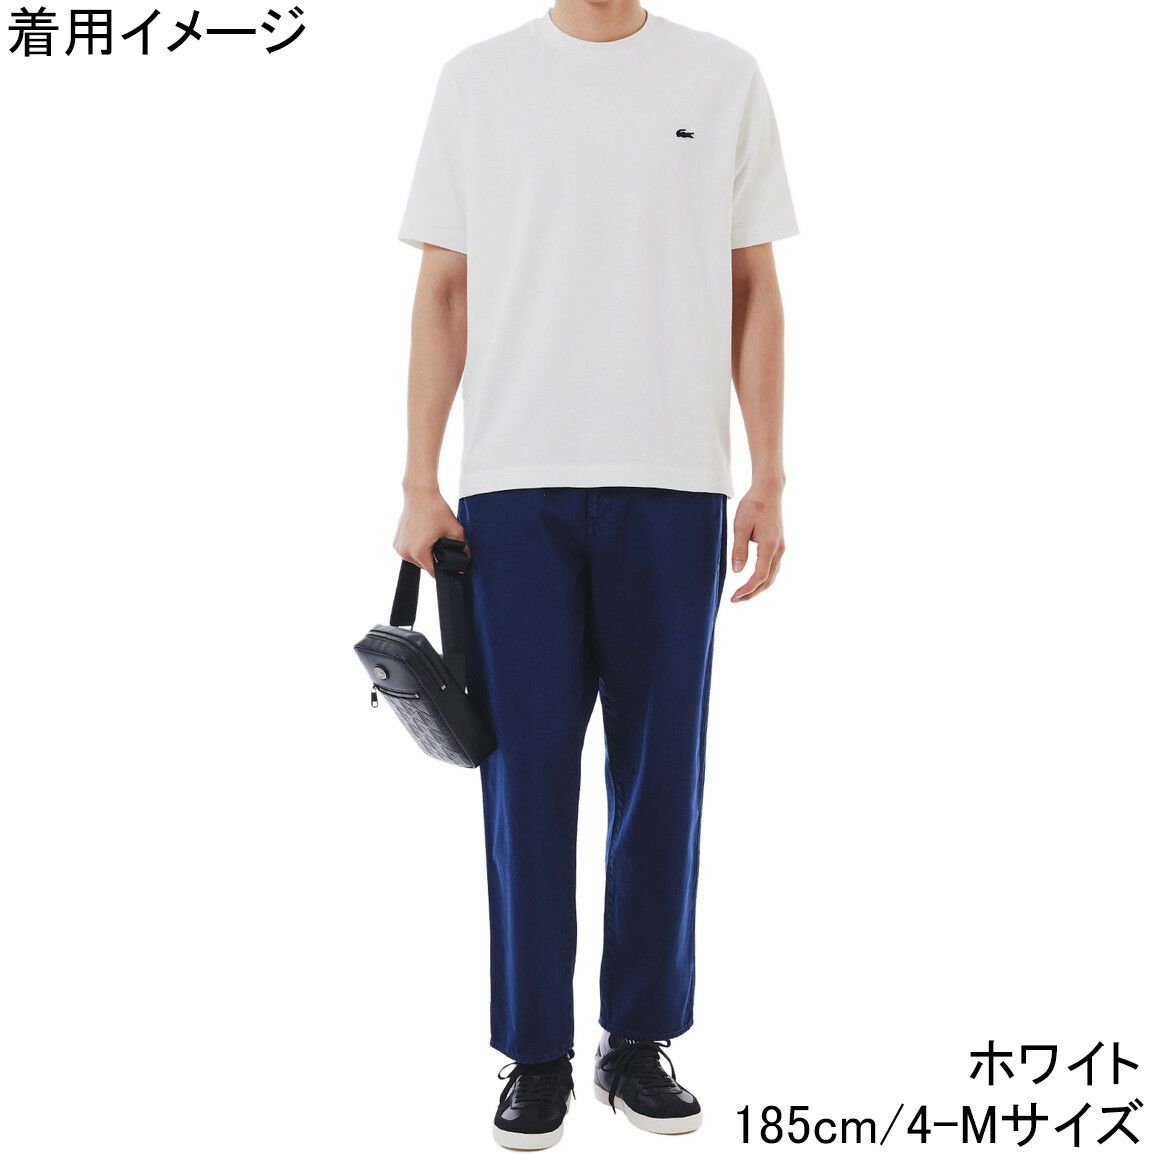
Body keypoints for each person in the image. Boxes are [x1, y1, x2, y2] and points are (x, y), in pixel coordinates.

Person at [393, 1, 797, 1146]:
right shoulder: (478, 80)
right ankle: (535, 1054)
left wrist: (769, 474)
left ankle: (638, 1042)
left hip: (674, 481)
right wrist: (420, 479)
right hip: (513, 487)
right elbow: (444, 290)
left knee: (661, 775)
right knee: (521, 780)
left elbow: (754, 287)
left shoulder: (722, 75)